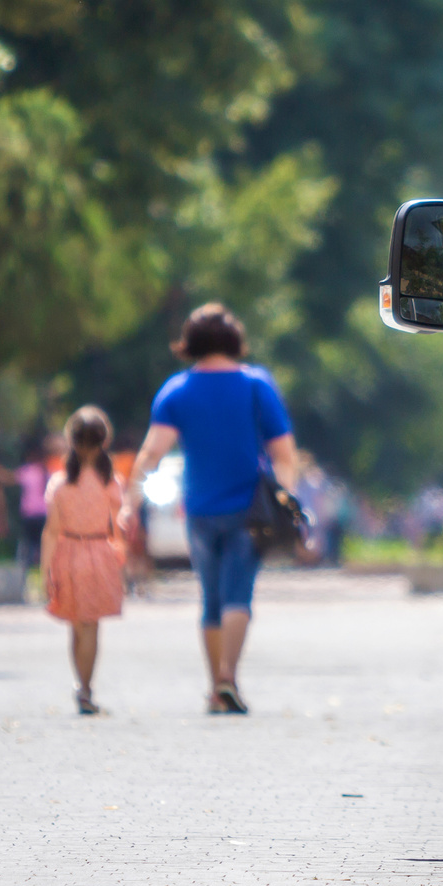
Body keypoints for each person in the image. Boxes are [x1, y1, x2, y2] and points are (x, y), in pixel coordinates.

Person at [122, 303, 299, 715]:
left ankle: (215, 687)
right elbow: (284, 453)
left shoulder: (176, 391)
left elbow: (151, 453)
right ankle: (228, 679)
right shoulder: (257, 385)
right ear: (235, 339)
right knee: (239, 593)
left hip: (199, 510)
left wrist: (131, 502)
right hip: (249, 510)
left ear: (192, 343)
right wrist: (286, 496)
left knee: (212, 597)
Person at [43, 407, 125, 716]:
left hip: (68, 552)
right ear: (104, 440)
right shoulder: (110, 482)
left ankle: (81, 685)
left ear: (70, 440)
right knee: (91, 626)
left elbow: (50, 532)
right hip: (99, 552)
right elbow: (119, 525)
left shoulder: (60, 483)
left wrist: (45, 570)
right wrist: (124, 560)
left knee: (76, 626)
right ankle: (86, 689)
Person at [12, 434, 63, 577]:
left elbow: (11, 478)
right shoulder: (50, 471)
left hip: (29, 515)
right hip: (44, 513)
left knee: (27, 547)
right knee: (45, 545)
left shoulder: (28, 470)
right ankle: (47, 572)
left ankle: (25, 575)